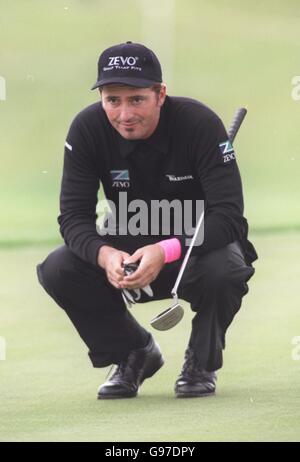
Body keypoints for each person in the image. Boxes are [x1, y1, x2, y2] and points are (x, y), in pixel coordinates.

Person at [36, 41, 258, 399]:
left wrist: (166, 249)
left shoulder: (200, 125)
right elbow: (74, 218)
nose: (124, 113)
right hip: (128, 249)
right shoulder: (87, 129)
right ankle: (133, 353)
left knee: (227, 268)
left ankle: (201, 361)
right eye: (113, 100)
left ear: (160, 94)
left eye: (136, 99)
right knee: (59, 268)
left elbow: (229, 217)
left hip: (195, 249)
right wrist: (105, 255)